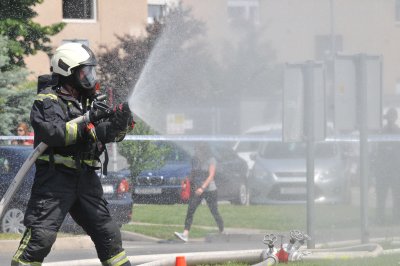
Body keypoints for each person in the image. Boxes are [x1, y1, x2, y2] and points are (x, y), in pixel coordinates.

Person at [11, 42, 134, 266]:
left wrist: (119, 124)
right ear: (67, 71)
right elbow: (54, 133)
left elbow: (105, 135)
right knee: (41, 238)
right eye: (84, 71)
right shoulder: (47, 101)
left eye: (91, 71)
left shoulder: (91, 102)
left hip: (86, 179)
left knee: (109, 235)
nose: (89, 76)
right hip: (55, 181)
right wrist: (90, 126)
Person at [174, 142, 224, 242]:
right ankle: (185, 234)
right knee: (191, 210)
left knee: (214, 211)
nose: (196, 151)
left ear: (204, 150)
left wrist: (202, 188)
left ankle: (222, 230)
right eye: (195, 149)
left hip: (210, 190)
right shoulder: (195, 159)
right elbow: (193, 172)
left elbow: (211, 176)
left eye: (197, 149)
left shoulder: (211, 160)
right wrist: (186, 182)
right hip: (197, 189)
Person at [372, 107, 400, 225]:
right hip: (384, 169)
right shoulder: (382, 132)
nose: (390, 120)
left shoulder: (397, 132)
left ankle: (396, 218)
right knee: (381, 195)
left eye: (392, 117)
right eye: (389, 117)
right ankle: (381, 217)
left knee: (397, 195)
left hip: (394, 169)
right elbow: (378, 150)